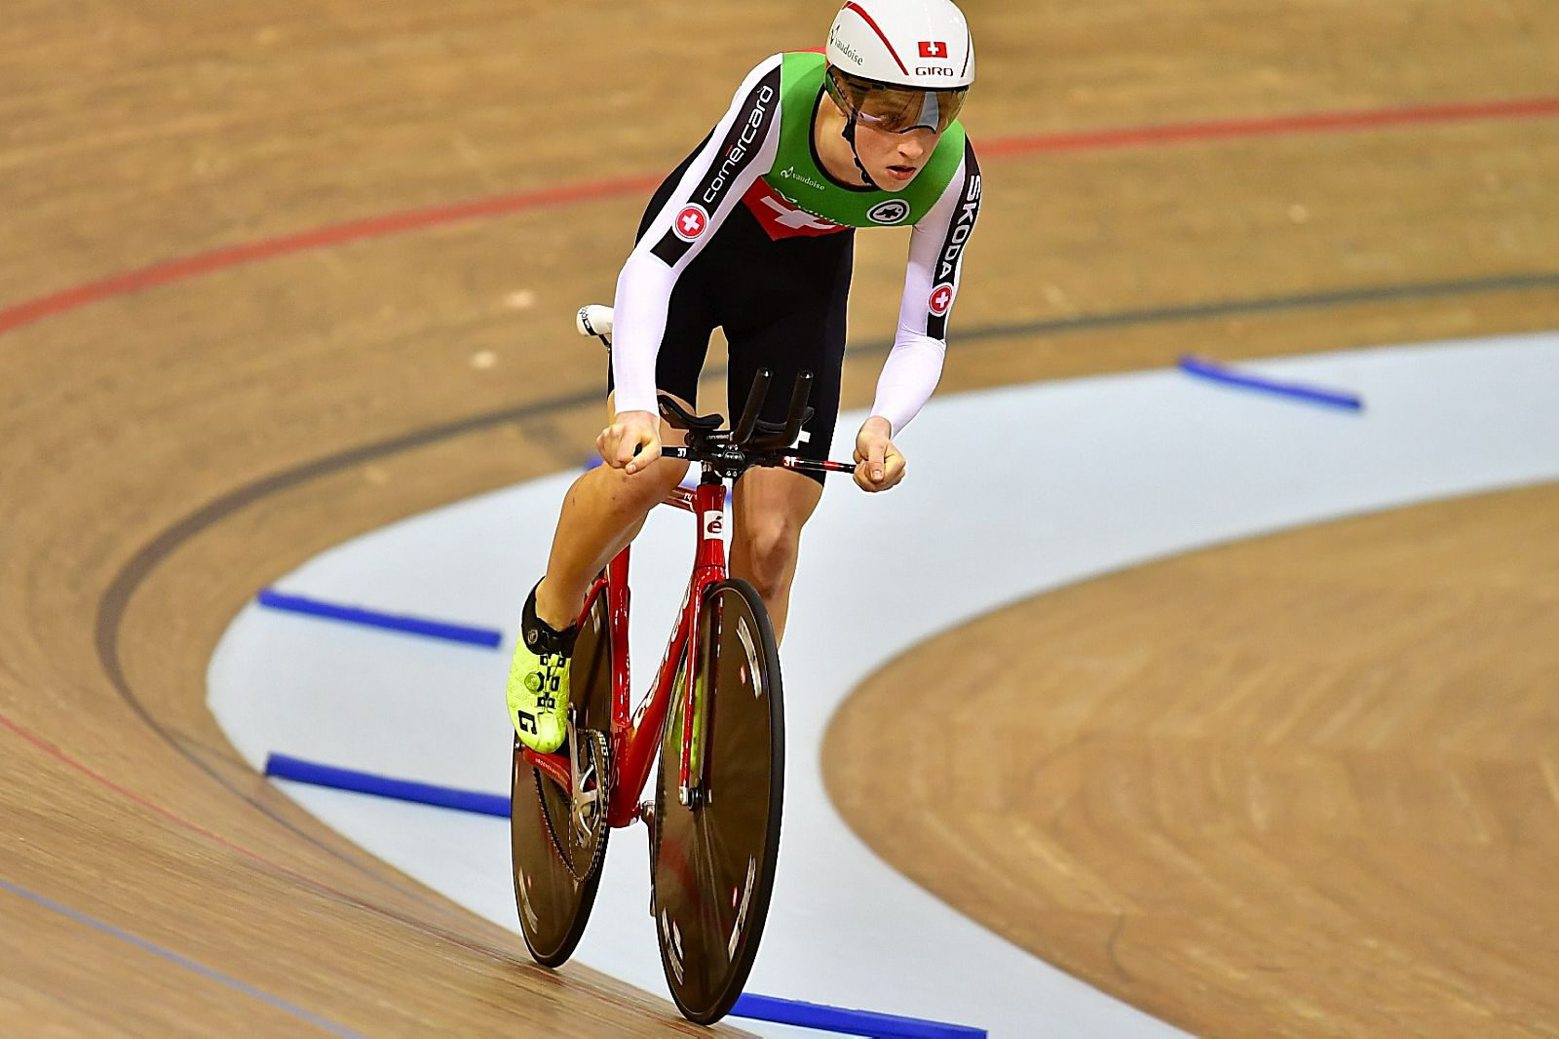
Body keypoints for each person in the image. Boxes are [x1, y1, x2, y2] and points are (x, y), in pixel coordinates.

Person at [508, 0, 983, 753]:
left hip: (796, 298)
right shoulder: (775, 101)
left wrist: (883, 422)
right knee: (646, 472)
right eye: (892, 116)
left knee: (768, 541)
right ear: (841, 93)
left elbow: (922, 334)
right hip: (692, 273)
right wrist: (634, 405)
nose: (914, 144)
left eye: (937, 115)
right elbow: (658, 262)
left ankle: (715, 750)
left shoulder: (950, 172)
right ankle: (549, 622)